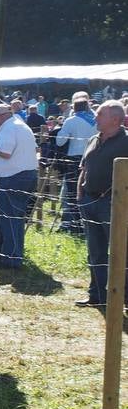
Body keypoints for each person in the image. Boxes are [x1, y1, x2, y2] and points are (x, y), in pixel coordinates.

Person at [76, 99, 128, 309]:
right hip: (89, 200)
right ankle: (97, 294)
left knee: (120, 251)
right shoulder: (93, 139)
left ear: (115, 119)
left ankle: (123, 297)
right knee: (95, 251)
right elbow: (84, 169)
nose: (95, 117)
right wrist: (80, 194)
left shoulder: (126, 142)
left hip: (114, 204)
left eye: (99, 114)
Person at [0, 102, 39, 269]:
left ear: (1, 117)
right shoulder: (22, 126)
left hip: (13, 177)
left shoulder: (9, 129)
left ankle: (11, 258)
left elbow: (6, 153)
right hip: (26, 175)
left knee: (8, 220)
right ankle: (15, 255)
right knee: (16, 219)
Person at [55, 91, 99, 234]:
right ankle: (90, 222)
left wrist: (62, 127)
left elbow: (60, 141)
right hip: (94, 156)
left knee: (74, 191)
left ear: (74, 107)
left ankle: (76, 224)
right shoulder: (96, 120)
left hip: (75, 159)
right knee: (91, 190)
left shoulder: (71, 121)